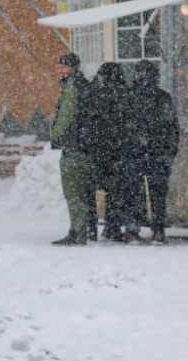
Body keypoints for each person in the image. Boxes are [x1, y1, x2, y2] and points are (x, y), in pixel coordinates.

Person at [83, 62, 133, 242]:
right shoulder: (124, 93)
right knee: (115, 191)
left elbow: (85, 119)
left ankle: (91, 227)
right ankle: (112, 227)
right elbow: (128, 121)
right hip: (116, 150)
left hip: (95, 149)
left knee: (90, 190)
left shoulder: (92, 93)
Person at [132, 59, 180, 244]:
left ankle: (135, 230)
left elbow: (124, 125)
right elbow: (172, 127)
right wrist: (169, 152)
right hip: (157, 154)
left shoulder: (132, 97)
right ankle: (158, 231)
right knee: (158, 195)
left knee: (137, 194)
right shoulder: (163, 97)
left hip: (139, 154)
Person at [50, 53, 92, 246]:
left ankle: (78, 232)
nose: (59, 70)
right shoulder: (84, 85)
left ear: (72, 69)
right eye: (58, 67)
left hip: (74, 146)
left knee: (73, 192)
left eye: (63, 67)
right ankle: (81, 230)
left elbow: (65, 116)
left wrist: (54, 134)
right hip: (84, 146)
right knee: (81, 192)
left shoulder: (71, 87)